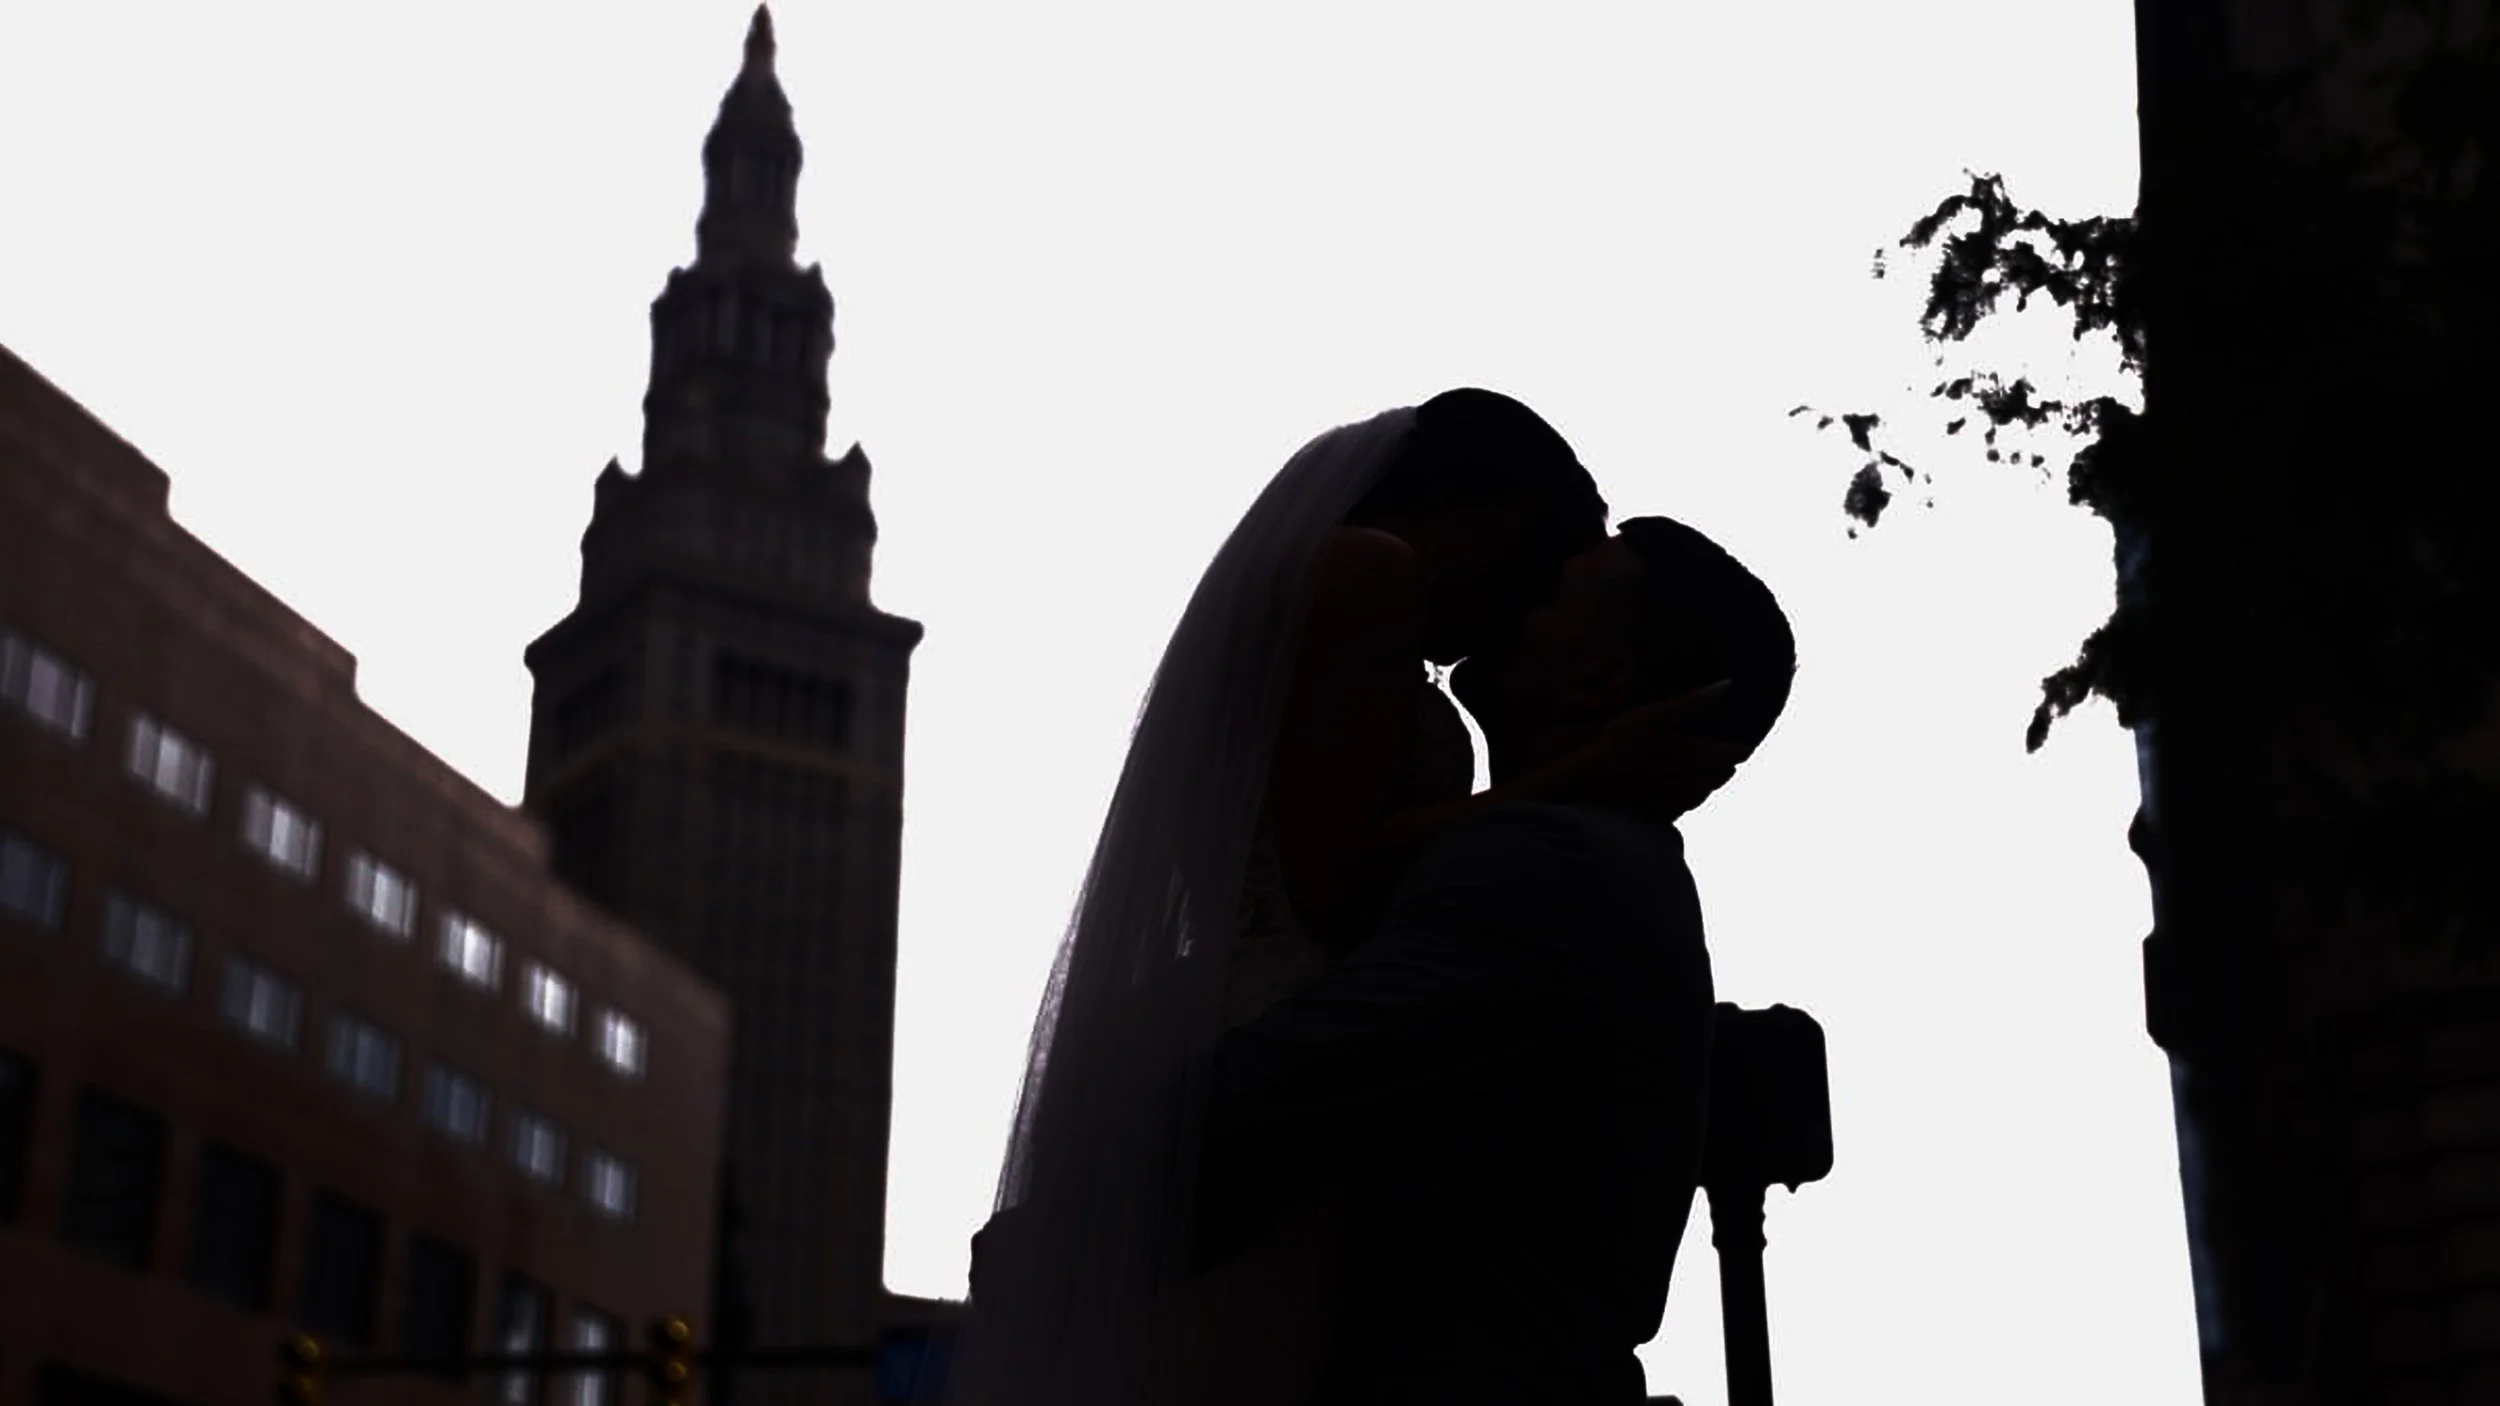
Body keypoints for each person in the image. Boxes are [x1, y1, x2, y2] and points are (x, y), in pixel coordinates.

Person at [946, 396, 1741, 1406]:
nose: (1511, 610)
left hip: (1271, 1008)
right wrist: (1577, 770)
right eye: (1535, 567)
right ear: (1486, 513)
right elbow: (1330, 881)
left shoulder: (1357, 601)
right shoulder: (1366, 568)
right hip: (1277, 1000)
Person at [1193, 516, 1798, 1405]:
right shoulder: (1581, 854)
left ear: (1600, 677)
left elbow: (1257, 1111)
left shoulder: (1548, 862)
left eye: (1554, 593)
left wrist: (1074, 1199)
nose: (1516, 600)